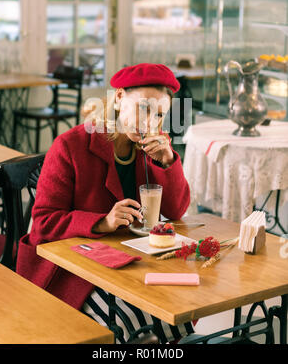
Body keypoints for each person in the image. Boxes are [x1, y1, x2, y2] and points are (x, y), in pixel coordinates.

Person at [16, 63, 191, 343]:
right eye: (144, 108)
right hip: (69, 269)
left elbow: (175, 210)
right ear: (119, 99)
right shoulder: (70, 146)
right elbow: (44, 223)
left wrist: (168, 162)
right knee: (133, 321)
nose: (149, 123)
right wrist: (103, 222)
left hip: (127, 262)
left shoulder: (156, 145)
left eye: (159, 114)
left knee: (178, 304)